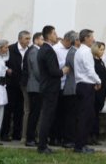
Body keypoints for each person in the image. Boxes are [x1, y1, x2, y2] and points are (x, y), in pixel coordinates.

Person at [72, 29, 101, 153]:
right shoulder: (86, 52)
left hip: (80, 85)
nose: (93, 40)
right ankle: (80, 145)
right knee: (85, 117)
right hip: (86, 86)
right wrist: (98, 81)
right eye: (92, 37)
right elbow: (90, 70)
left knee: (83, 116)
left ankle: (81, 144)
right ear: (86, 38)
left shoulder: (79, 51)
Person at [35, 26, 64, 154]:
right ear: (49, 35)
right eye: (54, 33)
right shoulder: (48, 50)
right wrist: (63, 71)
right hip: (50, 87)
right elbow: (53, 71)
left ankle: (43, 144)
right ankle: (42, 145)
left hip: (46, 87)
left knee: (47, 115)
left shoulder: (43, 49)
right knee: (47, 116)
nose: (56, 35)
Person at [2, 30, 31, 141]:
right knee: (8, 109)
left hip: (23, 84)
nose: (28, 41)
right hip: (11, 83)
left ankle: (17, 134)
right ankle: (5, 133)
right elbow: (2, 62)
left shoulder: (29, 50)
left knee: (20, 110)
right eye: (26, 38)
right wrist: (7, 69)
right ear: (20, 39)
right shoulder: (10, 49)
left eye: (29, 38)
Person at [24, 29, 46, 145]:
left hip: (37, 86)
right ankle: (30, 138)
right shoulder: (34, 51)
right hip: (35, 86)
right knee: (34, 113)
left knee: (36, 113)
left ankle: (32, 137)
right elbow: (37, 70)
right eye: (42, 39)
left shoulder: (37, 50)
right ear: (36, 40)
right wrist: (44, 81)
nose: (43, 41)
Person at [59, 30, 79, 146]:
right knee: (70, 116)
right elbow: (77, 69)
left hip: (74, 87)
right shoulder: (72, 53)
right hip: (72, 88)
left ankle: (72, 138)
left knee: (74, 115)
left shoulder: (75, 51)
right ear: (75, 41)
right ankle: (68, 139)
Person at [92, 41, 106, 144]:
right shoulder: (93, 61)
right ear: (95, 49)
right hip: (96, 92)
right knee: (93, 115)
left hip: (102, 92)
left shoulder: (101, 61)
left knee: (96, 115)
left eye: (103, 49)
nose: (102, 51)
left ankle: (95, 136)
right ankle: (92, 136)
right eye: (101, 49)